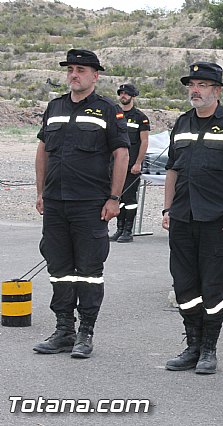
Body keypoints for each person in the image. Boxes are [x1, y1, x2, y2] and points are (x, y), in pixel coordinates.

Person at [33, 49, 130, 358]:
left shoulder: (107, 110)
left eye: (81, 70)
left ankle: (85, 332)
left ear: (95, 76)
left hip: (90, 204)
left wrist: (115, 198)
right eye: (71, 69)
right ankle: (63, 329)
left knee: (89, 270)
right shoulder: (55, 106)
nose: (74, 74)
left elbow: (122, 154)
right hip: (56, 203)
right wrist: (39, 193)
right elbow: (43, 151)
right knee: (59, 268)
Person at [162, 62, 223, 374]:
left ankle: (209, 349)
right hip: (183, 217)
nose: (195, 90)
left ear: (217, 90)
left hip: (217, 220)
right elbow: (173, 168)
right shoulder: (183, 122)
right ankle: (192, 345)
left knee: (212, 287)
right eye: (192, 84)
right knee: (185, 286)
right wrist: (167, 209)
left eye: (203, 85)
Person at [109, 83, 150, 243]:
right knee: (117, 197)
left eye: (126, 94)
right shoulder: (115, 115)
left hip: (132, 165)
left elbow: (144, 141)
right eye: (121, 93)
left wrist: (138, 163)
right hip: (115, 166)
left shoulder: (141, 117)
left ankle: (128, 230)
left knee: (130, 199)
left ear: (133, 96)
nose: (123, 96)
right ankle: (119, 229)